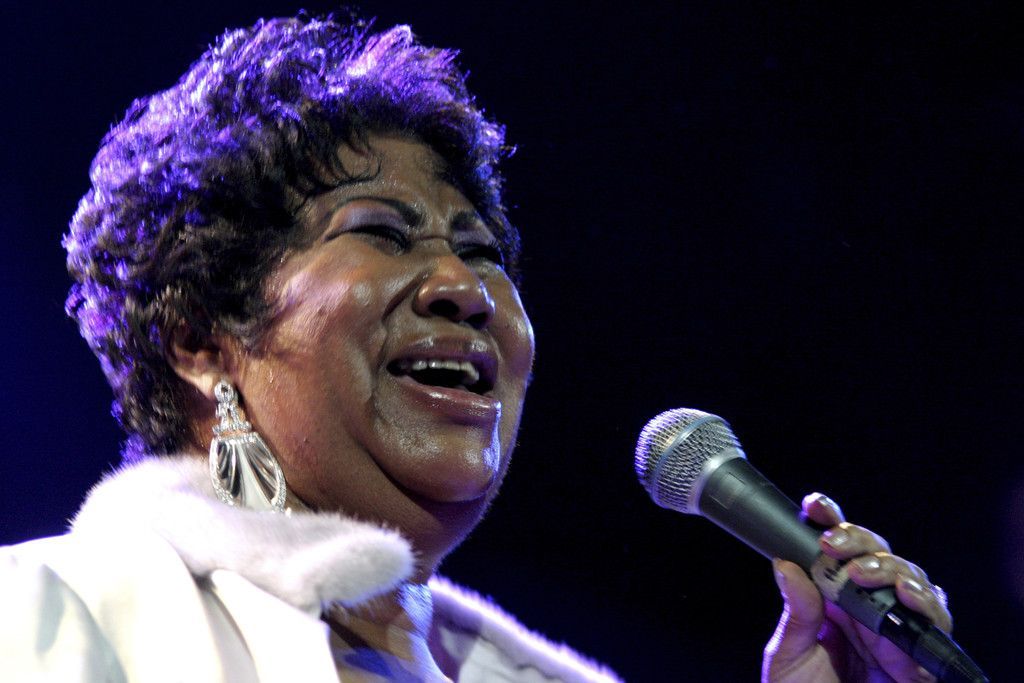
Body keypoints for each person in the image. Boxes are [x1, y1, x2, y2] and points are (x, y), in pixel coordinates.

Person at [0, 13, 952, 682]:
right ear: (201, 339)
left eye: (483, 251)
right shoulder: (46, 620)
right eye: (380, 231)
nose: (466, 287)